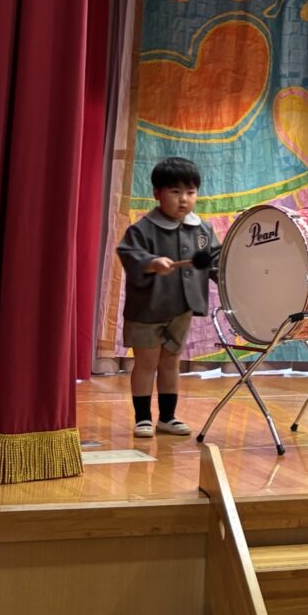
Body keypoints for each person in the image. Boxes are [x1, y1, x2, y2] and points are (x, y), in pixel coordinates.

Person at [115, 157, 220, 438]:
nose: (184, 199)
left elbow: (215, 261)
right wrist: (151, 262)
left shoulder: (203, 230)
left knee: (171, 362)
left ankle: (168, 417)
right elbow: (129, 254)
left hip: (181, 310)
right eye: (175, 192)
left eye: (190, 192)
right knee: (146, 363)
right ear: (157, 193)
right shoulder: (142, 229)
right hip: (147, 310)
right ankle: (142, 418)